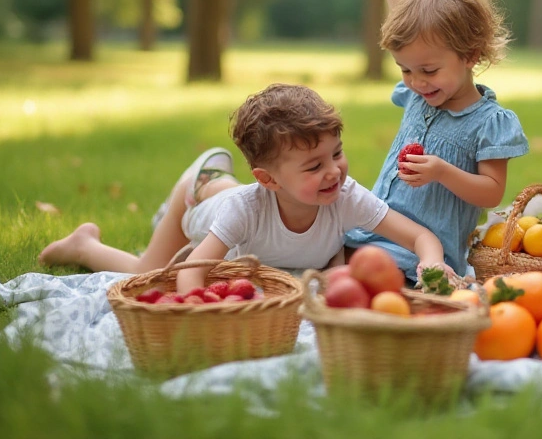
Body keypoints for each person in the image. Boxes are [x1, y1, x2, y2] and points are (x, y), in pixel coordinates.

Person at [38, 83, 454, 292]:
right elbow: (192, 271)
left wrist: (432, 261)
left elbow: (419, 236)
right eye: (315, 165)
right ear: (269, 178)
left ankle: (221, 178)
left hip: (253, 195)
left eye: (337, 154)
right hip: (200, 199)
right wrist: (197, 309)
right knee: (149, 272)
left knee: (249, 201)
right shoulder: (245, 209)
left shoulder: (343, 196)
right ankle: (81, 245)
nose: (334, 172)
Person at [344, 0, 530, 280]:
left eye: (428, 70)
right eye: (405, 70)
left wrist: (443, 171)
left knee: (372, 283)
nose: (416, 81)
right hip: (371, 231)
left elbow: (492, 193)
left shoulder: (489, 122)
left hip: (421, 258)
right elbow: (409, 26)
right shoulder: (420, 92)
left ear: (470, 55)